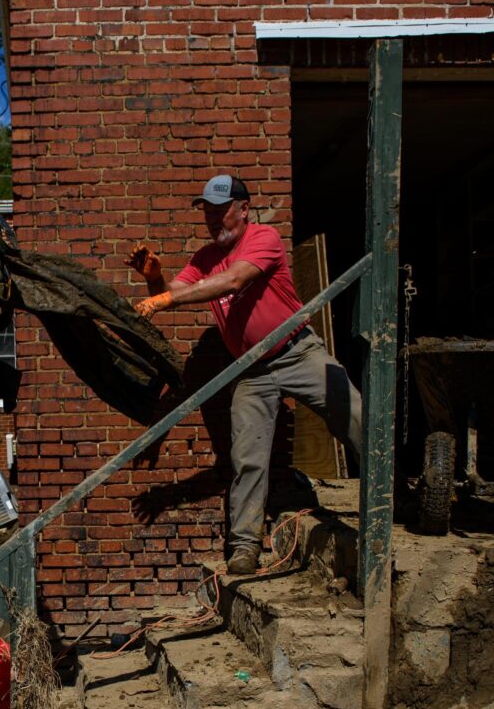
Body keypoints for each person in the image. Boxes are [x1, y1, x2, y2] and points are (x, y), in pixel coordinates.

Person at [128, 173, 363, 576]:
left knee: (353, 413)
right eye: (208, 212)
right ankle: (245, 546)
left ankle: (394, 496)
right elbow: (176, 290)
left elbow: (235, 279)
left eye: (222, 211)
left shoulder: (263, 238)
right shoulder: (204, 258)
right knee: (247, 458)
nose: (214, 220)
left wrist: (163, 297)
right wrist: (155, 280)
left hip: (296, 351)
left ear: (244, 209)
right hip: (251, 370)